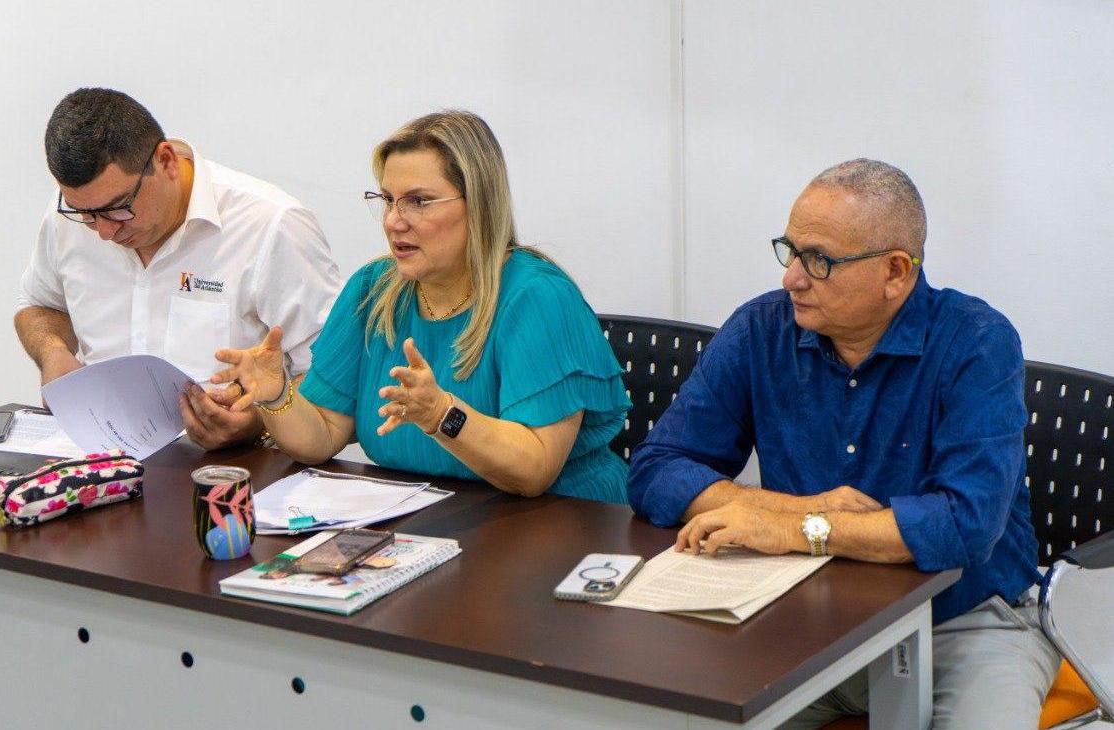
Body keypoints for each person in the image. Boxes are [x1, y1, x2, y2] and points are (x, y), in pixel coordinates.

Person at [627, 159, 1058, 728]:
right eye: (790, 251)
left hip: (964, 621)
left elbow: (965, 522)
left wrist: (802, 531)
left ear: (895, 272)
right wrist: (789, 510)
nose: (792, 278)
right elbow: (656, 470)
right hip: (807, 619)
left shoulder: (977, 343)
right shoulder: (761, 330)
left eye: (819, 261)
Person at [211, 110, 631, 502]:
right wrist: (276, 395)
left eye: (418, 201)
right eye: (387, 199)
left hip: (564, 524)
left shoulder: (537, 296)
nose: (393, 220)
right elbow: (323, 431)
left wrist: (442, 414)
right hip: (431, 521)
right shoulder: (373, 290)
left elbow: (534, 470)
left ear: (479, 204)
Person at [15, 88, 340, 449]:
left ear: (166, 161)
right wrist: (53, 351)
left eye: (119, 207)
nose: (104, 232)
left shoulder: (271, 226)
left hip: (235, 465)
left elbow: (331, 377)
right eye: (85, 214)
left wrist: (258, 419)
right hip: (100, 456)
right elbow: (39, 305)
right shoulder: (72, 214)